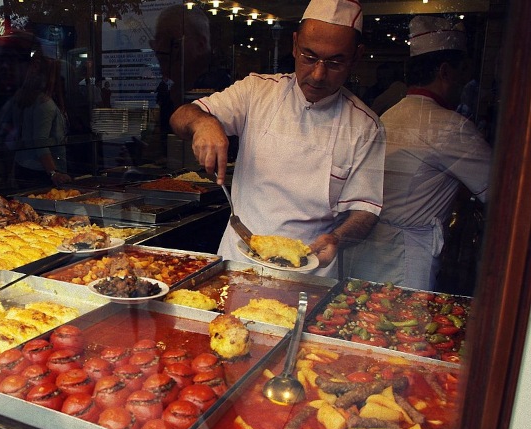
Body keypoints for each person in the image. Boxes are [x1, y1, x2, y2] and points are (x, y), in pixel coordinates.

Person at [169, 0, 385, 278]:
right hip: (238, 262)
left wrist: (338, 238)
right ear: (294, 45)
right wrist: (203, 123)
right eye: (309, 57)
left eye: (334, 62)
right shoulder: (256, 92)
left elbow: (365, 210)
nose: (318, 74)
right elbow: (180, 117)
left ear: (356, 57)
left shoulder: (366, 126)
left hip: (308, 272)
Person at [345, 16, 492, 291]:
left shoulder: (391, 112)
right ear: (446, 72)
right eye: (463, 72)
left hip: (367, 251)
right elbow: (500, 192)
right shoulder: (451, 127)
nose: (466, 82)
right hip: (406, 257)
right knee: (402, 330)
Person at [0, 54, 71, 189]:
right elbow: (40, 143)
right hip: (41, 172)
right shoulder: (44, 104)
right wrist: (53, 173)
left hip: (24, 165)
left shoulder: (21, 97)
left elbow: (2, 120)